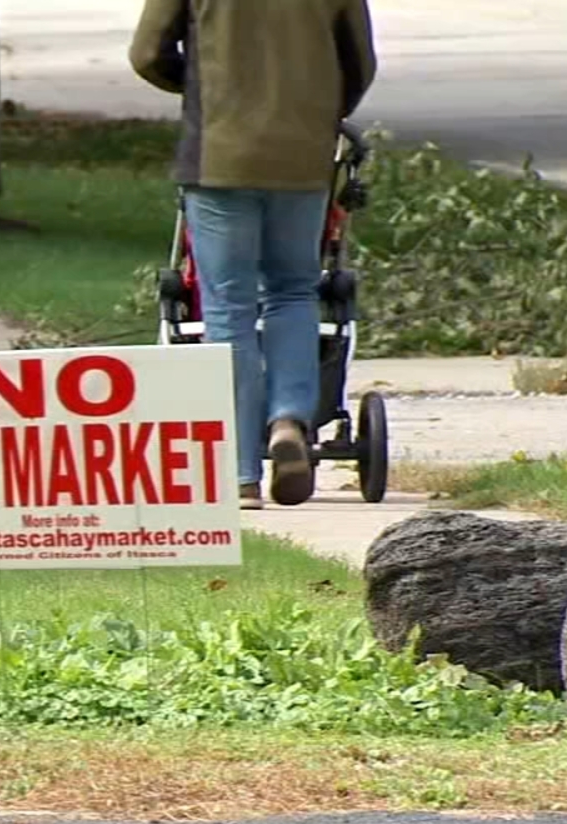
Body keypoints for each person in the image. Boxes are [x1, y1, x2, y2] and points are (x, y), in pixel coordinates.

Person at [128, 0, 377, 509]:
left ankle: (241, 473)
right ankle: (288, 418)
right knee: (293, 291)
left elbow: (148, 53)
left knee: (227, 307)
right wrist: (320, 110)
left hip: (220, 153)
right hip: (302, 155)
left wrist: (201, 84)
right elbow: (360, 63)